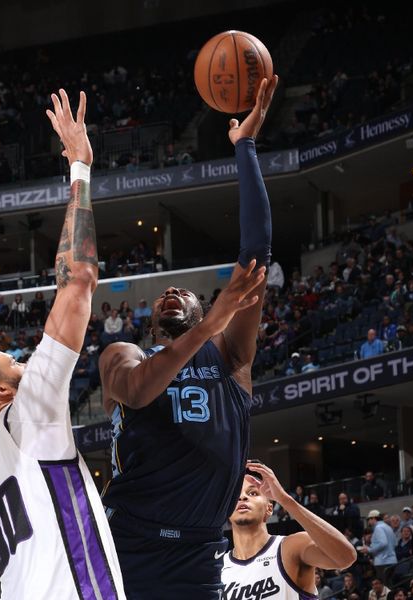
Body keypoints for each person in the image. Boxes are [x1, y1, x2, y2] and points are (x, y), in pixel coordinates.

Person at [99, 76, 278, 599]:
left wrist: (244, 148)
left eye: (188, 293)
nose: (173, 290)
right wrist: (210, 320)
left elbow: (257, 254)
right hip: (127, 540)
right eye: (162, 297)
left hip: (199, 549)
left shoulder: (231, 356)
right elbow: (136, 392)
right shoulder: (123, 354)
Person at [0, 89, 125, 599]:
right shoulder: (28, 410)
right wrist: (81, 168)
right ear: (2, 390)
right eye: (9, 360)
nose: (19, 356)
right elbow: (78, 281)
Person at [221, 462, 356, 599]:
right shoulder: (218, 567)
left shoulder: (290, 547)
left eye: (253, 493)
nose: (242, 497)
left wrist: (284, 499)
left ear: (269, 508)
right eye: (236, 495)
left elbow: (345, 558)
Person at [362, 510, 398, 584]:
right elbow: (395, 543)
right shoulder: (388, 527)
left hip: (382, 562)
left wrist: (370, 550)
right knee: (390, 585)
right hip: (392, 560)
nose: (368, 522)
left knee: (384, 586)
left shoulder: (378, 528)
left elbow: (383, 543)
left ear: (373, 519)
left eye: (369, 519)